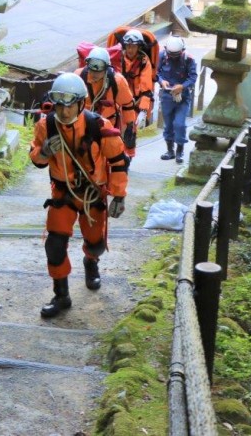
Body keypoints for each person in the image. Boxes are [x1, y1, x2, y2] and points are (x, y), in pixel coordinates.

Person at [30, 73, 129, 319]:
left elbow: (118, 161)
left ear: (81, 103)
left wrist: (118, 196)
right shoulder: (46, 126)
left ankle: (91, 260)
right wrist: (43, 152)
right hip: (63, 193)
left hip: (92, 193)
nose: (64, 112)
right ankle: (61, 295)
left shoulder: (98, 127)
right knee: (54, 244)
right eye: (60, 105)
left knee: (96, 242)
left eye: (70, 105)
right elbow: (37, 159)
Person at [75, 46, 136, 140]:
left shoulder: (117, 81)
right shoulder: (78, 77)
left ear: (107, 68)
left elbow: (128, 105)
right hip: (81, 127)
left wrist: (130, 126)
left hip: (107, 128)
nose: (94, 73)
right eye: (92, 69)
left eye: (99, 70)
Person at [156, 36, 198, 164]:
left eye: (176, 54)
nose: (173, 57)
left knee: (179, 124)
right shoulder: (161, 56)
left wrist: (183, 86)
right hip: (166, 95)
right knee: (168, 125)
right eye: (171, 54)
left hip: (182, 97)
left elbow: (193, 77)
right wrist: (162, 81)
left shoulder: (189, 59)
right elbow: (155, 72)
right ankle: (170, 150)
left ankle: (180, 150)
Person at [118, 29, 154, 158]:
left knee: (130, 131)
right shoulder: (118, 58)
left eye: (133, 46)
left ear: (138, 46)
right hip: (118, 100)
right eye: (128, 46)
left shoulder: (144, 62)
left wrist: (144, 111)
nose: (130, 49)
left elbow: (146, 88)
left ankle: (127, 158)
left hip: (135, 102)